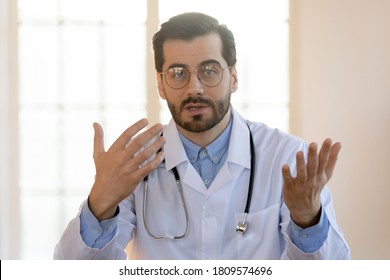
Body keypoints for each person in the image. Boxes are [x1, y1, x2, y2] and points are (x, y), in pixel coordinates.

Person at [54, 12, 350, 260]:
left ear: (233, 77)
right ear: (160, 83)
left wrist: (307, 220)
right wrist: (100, 202)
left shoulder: (286, 158)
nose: (194, 87)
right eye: (178, 73)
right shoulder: (134, 165)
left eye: (209, 71)